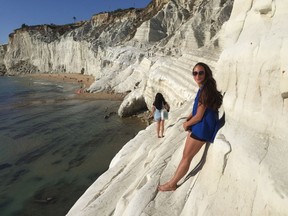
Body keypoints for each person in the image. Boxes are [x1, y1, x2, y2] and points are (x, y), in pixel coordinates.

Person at [158, 62, 223, 191]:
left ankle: (172, 184)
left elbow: (199, 116)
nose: (197, 75)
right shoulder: (205, 88)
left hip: (203, 128)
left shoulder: (206, 91)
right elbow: (198, 110)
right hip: (200, 126)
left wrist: (186, 124)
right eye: (195, 73)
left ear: (206, 73)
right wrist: (189, 117)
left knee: (187, 157)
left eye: (200, 73)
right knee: (185, 156)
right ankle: (172, 181)